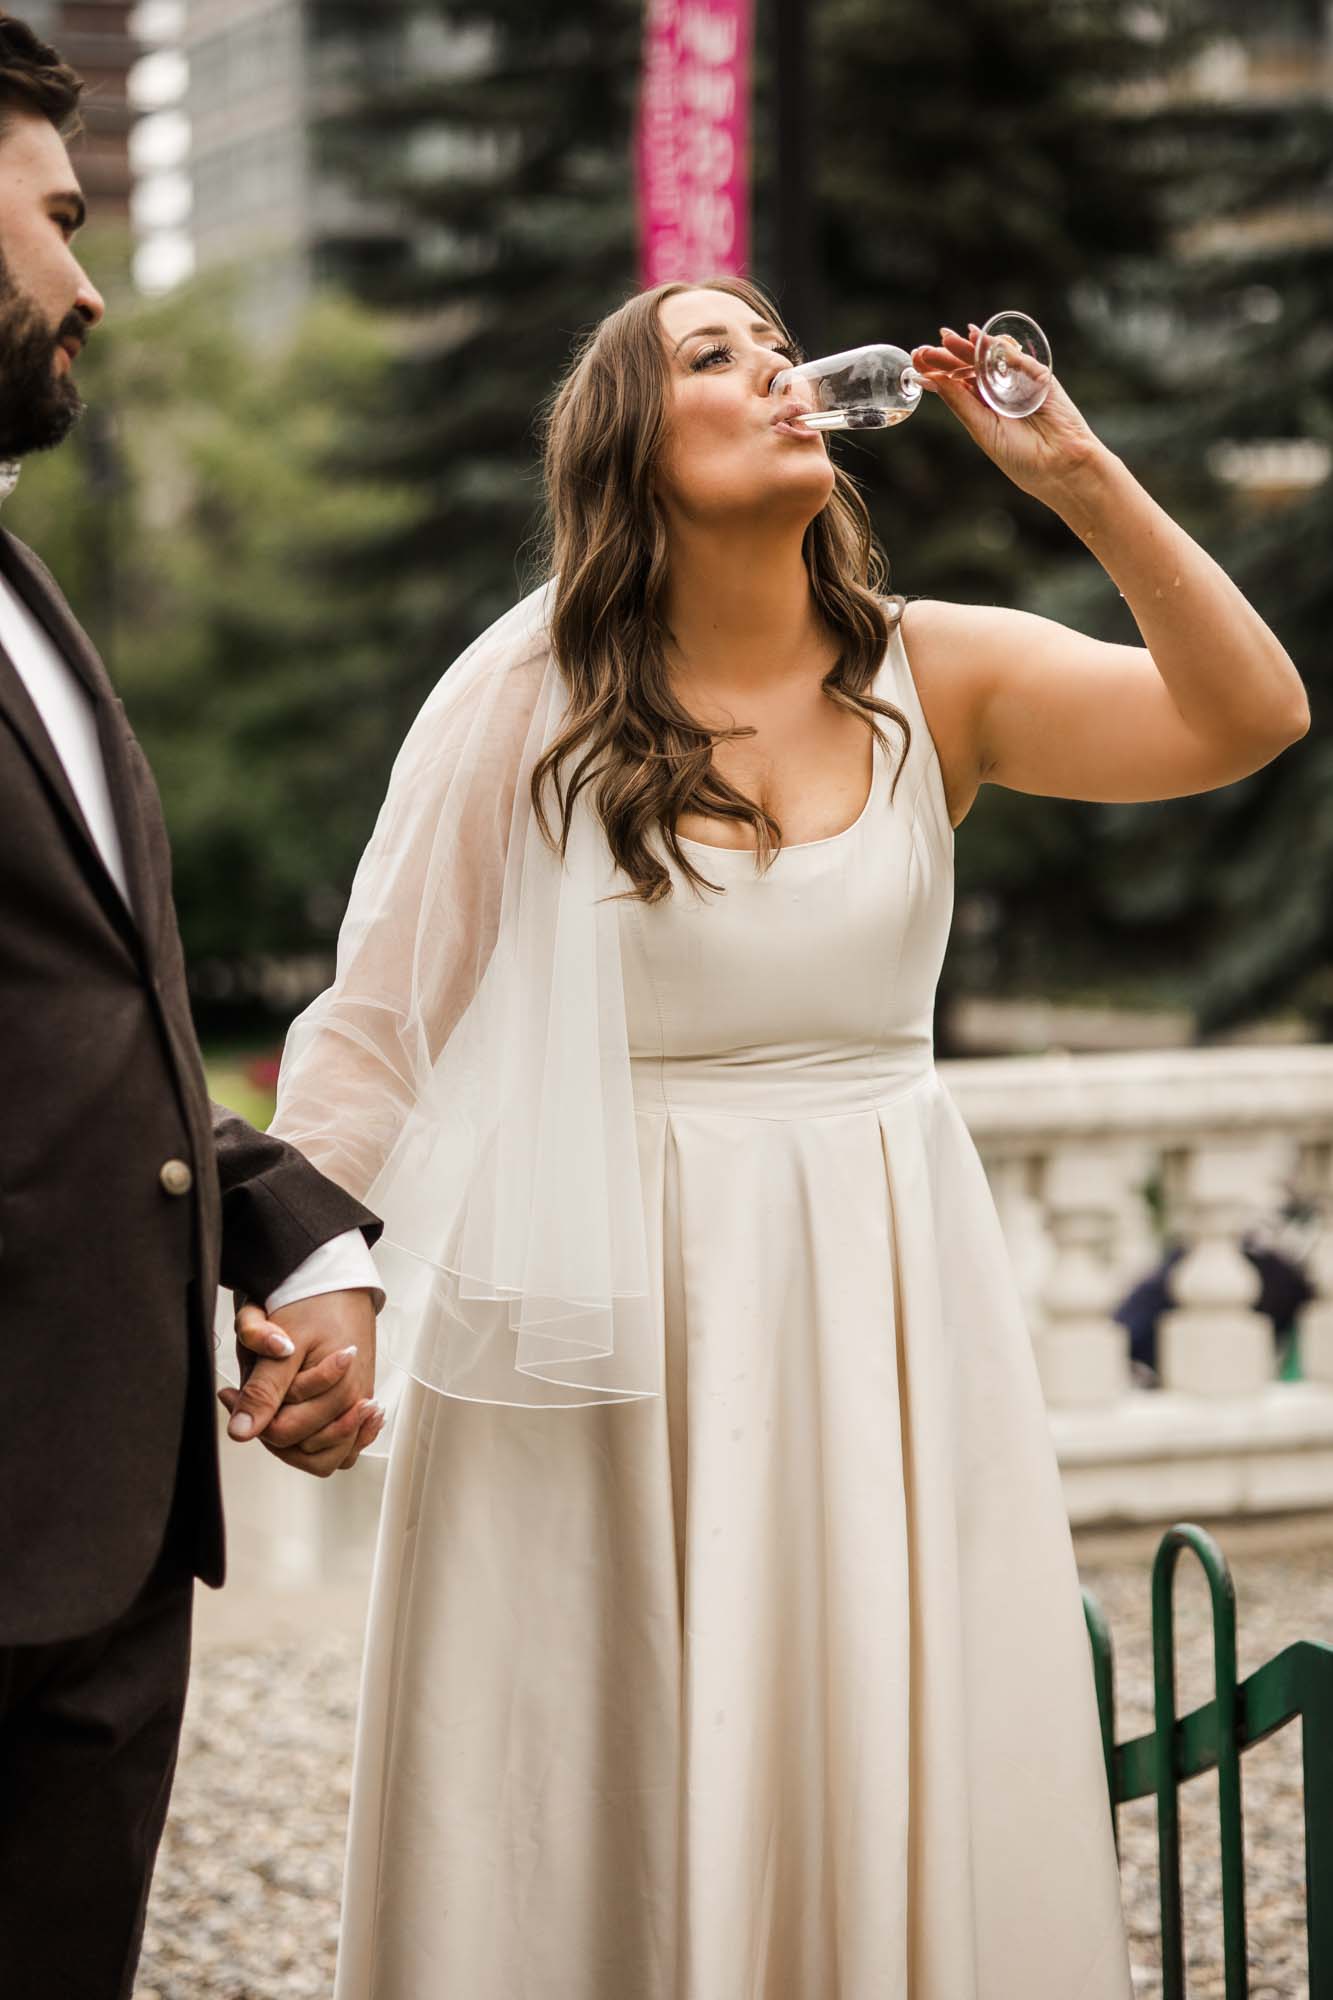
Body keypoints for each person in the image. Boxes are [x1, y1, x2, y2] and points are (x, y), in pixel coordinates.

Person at [257, 276, 1309, 1997]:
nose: (772, 367)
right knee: (596, 1769)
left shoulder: (931, 673)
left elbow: (1243, 716)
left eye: (772, 343)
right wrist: (322, 1284)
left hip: (879, 1295)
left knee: (879, 1730)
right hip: (603, 1320)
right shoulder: (527, 691)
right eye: (709, 352)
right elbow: (379, 1021)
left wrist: (1083, 483)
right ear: (627, 446)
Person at [0, 18, 388, 1996]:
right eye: (59, 220)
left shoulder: (25, 596)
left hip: (101, 1557)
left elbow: (74, 1028)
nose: (87, 285)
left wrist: (294, 1234)